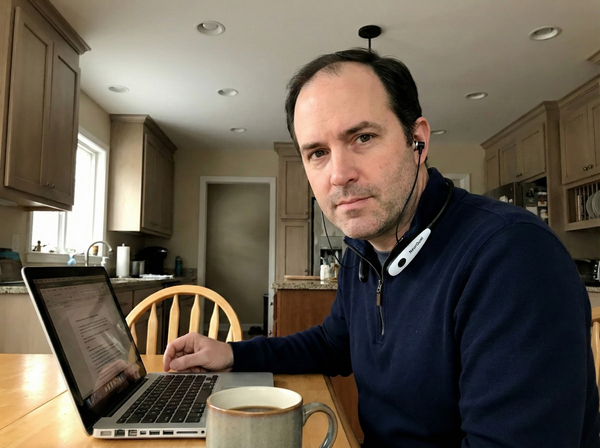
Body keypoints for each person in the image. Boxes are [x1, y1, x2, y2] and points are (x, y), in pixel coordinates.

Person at [163, 48, 600, 447]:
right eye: (317, 152)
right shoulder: (363, 249)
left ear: (418, 141)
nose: (339, 174)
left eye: (363, 138)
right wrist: (232, 353)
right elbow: (333, 344)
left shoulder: (513, 256)